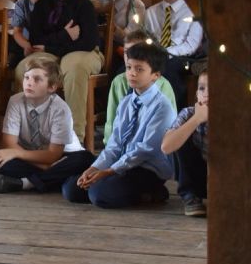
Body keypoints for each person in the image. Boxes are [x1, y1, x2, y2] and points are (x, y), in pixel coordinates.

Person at [62, 43, 175, 208]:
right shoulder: (126, 102)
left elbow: (145, 149)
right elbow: (114, 145)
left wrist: (109, 171)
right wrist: (94, 168)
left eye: (139, 69)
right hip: (123, 163)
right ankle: (132, 191)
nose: (131, 73)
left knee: (98, 194)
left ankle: (153, 191)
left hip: (147, 169)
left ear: (155, 75)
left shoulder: (162, 107)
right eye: (129, 67)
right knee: (71, 190)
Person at [14, 0, 103, 141]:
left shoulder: (84, 6)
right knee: (28, 66)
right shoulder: (41, 6)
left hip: (85, 52)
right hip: (52, 51)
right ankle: (34, 133)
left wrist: (53, 46)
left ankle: (73, 136)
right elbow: (38, 41)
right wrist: (63, 36)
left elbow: (88, 41)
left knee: (73, 66)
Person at [0, 57, 94, 193]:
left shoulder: (61, 109)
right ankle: (53, 179)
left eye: (37, 79)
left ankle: (26, 183)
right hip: (33, 157)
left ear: (51, 87)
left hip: (63, 156)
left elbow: (53, 155)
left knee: (85, 159)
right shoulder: (15, 101)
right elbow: (9, 144)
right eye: (27, 78)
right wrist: (43, 166)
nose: (29, 83)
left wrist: (16, 153)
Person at [144, 0, 204, 110]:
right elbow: (146, 38)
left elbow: (191, 45)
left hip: (182, 57)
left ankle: (172, 116)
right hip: (154, 55)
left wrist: (166, 52)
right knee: (125, 70)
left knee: (167, 71)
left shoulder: (194, 10)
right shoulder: (151, 12)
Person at [103, 31, 176, 145]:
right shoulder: (118, 82)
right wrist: (108, 148)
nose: (130, 56)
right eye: (127, 52)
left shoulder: (163, 85)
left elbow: (170, 126)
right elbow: (111, 121)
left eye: (138, 51)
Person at [161, 70, 208, 217]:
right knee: (181, 134)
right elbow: (166, 147)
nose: (206, 93)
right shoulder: (188, 113)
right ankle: (191, 195)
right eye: (202, 88)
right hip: (198, 178)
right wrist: (197, 119)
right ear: (196, 94)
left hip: (226, 179)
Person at [9, 0, 52, 68]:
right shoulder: (22, 4)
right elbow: (17, 31)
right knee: (15, 59)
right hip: (26, 41)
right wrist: (26, 45)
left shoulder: (54, 5)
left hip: (48, 43)